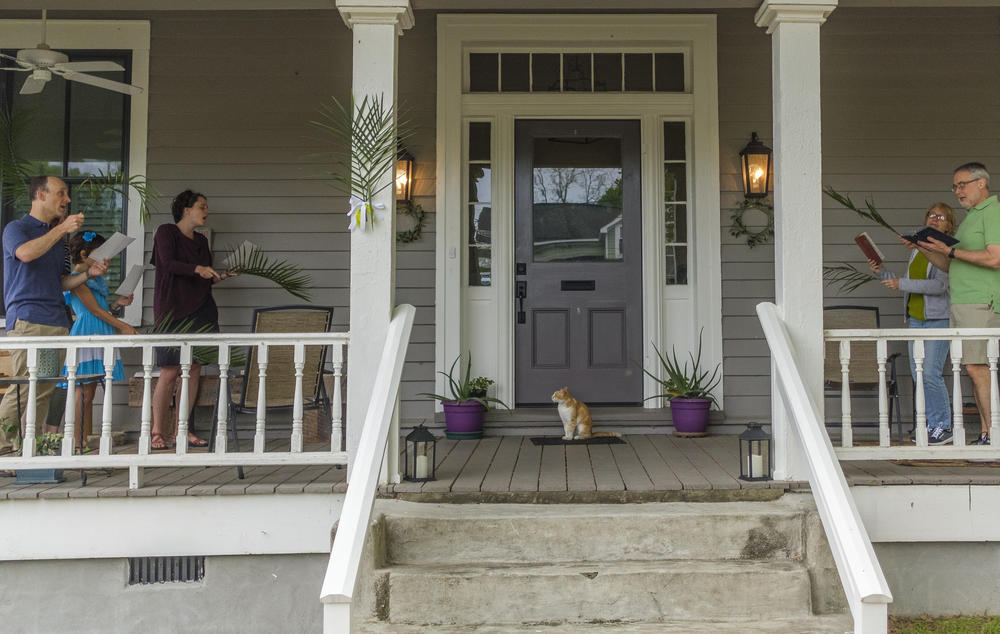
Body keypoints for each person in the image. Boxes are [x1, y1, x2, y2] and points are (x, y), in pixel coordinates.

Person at [0, 176, 107, 452]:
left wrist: (87, 273)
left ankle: (27, 451)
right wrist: (61, 231)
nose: (67, 200)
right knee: (25, 389)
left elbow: (61, 283)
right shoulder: (17, 228)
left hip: (57, 321)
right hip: (29, 319)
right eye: (61, 193)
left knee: (44, 390)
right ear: (40, 195)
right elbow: (25, 254)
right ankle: (4, 450)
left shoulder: (58, 241)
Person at [919, 163, 1000, 445]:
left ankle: (994, 434)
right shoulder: (969, 220)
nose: (958, 191)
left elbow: (995, 258)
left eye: (962, 184)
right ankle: (988, 432)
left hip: (981, 302)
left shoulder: (992, 212)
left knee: (979, 368)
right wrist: (925, 249)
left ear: (981, 183)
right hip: (963, 303)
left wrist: (952, 250)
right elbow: (949, 265)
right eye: (954, 186)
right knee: (973, 368)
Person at [150, 190, 234, 450]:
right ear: (186, 210)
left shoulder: (201, 241)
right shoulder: (166, 232)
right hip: (172, 310)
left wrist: (216, 276)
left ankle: (182, 430)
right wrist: (197, 269)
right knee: (170, 370)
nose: (206, 211)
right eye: (202, 206)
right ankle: (156, 432)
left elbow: (200, 275)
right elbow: (168, 264)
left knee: (195, 368)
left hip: (202, 309)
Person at [870, 203, 956, 445]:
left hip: (938, 320)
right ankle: (931, 425)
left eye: (941, 216)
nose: (934, 219)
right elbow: (907, 282)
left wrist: (902, 284)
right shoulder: (918, 250)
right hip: (916, 320)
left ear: (949, 224)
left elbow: (939, 287)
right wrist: (881, 272)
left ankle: (943, 427)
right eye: (931, 214)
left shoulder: (946, 251)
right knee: (920, 375)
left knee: (931, 373)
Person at [60, 231, 137, 451]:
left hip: (100, 330)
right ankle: (75, 442)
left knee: (90, 392)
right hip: (86, 332)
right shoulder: (77, 278)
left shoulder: (96, 279)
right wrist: (123, 326)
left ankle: (84, 440)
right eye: (100, 253)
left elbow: (102, 309)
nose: (106, 259)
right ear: (84, 254)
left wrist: (117, 305)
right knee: (81, 390)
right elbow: (92, 310)